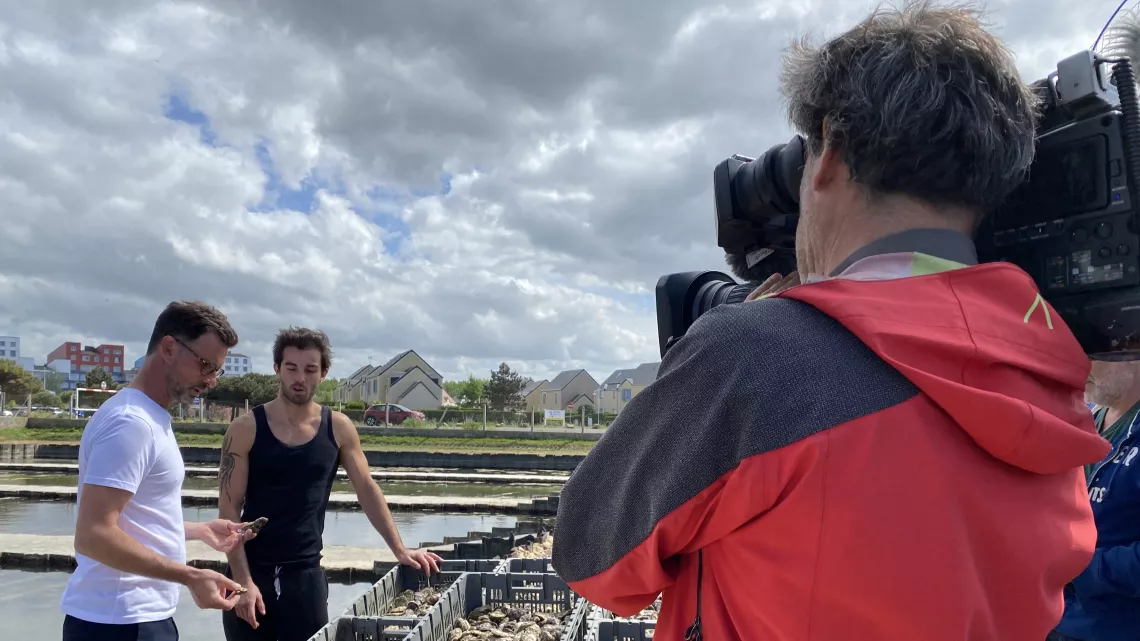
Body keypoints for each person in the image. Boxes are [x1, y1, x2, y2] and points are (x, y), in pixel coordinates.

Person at [551, 4, 1113, 640]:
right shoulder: (1050, 373)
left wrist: (732, 343)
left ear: (829, 155)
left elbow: (590, 557)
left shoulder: (758, 358)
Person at [219, 327, 443, 641]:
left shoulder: (338, 428)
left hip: (305, 574)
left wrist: (400, 549)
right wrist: (243, 582)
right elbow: (229, 510)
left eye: (310, 369)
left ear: (323, 373)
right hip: (250, 572)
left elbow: (366, 488)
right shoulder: (244, 429)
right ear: (277, 369)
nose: (300, 378)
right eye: (291, 368)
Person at [60, 300, 256, 641]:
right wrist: (189, 576)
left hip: (132, 617)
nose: (211, 381)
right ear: (168, 348)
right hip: (118, 623)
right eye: (206, 365)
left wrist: (198, 530)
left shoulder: (148, 417)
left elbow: (130, 521)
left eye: (217, 370)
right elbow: (93, 535)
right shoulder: (131, 423)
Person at [1050, 361, 1140, 641]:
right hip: (1056, 615)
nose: (1080, 363)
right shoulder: (1084, 416)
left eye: (1094, 351)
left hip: (1113, 627)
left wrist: (1080, 568)